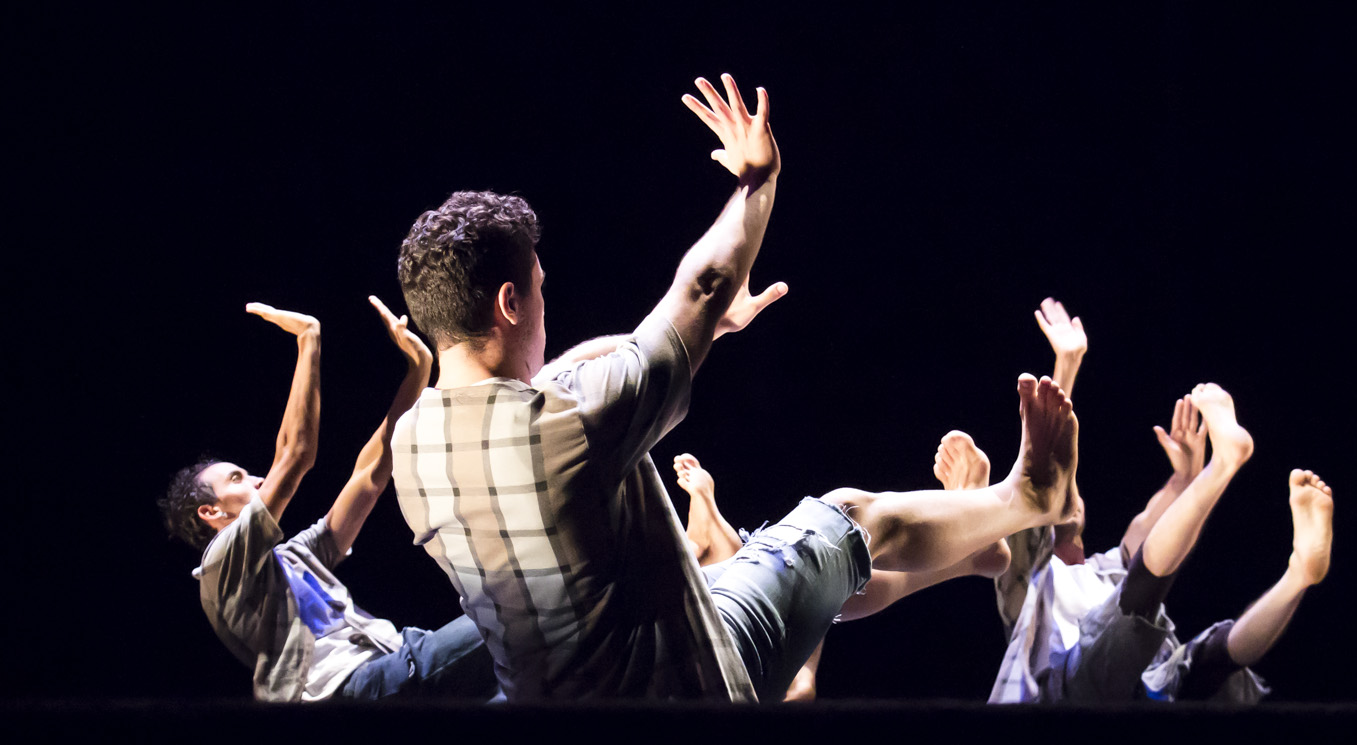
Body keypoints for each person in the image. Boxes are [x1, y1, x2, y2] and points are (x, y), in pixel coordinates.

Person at [391, 73, 1081, 702]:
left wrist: (704, 331)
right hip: (683, 681)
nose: (546, 305)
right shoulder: (570, 426)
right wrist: (758, 182)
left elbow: (553, 386)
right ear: (510, 303)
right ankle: (1025, 498)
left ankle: (968, 553)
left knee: (787, 567)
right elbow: (703, 284)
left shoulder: (412, 448)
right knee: (848, 517)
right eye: (539, 290)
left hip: (565, 692)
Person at [968, 299, 1334, 703]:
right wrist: (1066, 366)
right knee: (1134, 606)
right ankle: (1224, 465)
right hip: (1065, 698)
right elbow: (1040, 474)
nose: (1069, 497)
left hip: (1150, 690)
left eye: (1073, 494)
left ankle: (1299, 573)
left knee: (1210, 658)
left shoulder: (1106, 570)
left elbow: (1150, 532)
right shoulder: (1031, 571)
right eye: (1061, 497)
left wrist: (1184, 479)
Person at [159, 297, 498, 702]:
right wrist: (309, 338)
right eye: (237, 478)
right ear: (210, 511)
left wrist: (419, 370)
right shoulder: (221, 566)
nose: (258, 478)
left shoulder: (295, 558)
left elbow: (368, 476)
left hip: (390, 664)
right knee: (514, 614)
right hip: (350, 688)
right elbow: (294, 455)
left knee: (533, 685)